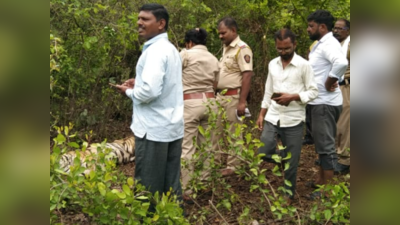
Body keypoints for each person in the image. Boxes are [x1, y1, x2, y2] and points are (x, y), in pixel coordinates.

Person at [115, 3, 184, 207]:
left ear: (161, 23)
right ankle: (173, 219)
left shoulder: (154, 51)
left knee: (147, 187)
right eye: (139, 18)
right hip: (171, 127)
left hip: (153, 130)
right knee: (170, 184)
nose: (139, 22)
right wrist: (139, 82)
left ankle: (148, 220)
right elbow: (165, 85)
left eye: (145, 19)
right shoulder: (170, 49)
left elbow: (150, 92)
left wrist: (128, 91)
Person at [257, 29, 318, 202]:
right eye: (280, 49)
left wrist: (294, 97)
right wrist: (262, 113)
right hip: (273, 116)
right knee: (264, 150)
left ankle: (288, 193)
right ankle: (285, 158)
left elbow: (314, 91)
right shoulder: (272, 64)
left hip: (294, 118)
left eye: (287, 49)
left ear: (295, 45)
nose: (283, 52)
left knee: (292, 162)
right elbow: (269, 89)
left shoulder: (304, 65)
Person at [306, 10, 348, 199]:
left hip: (325, 102)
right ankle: (321, 180)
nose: (308, 29)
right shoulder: (322, 44)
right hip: (319, 101)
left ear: (322, 27)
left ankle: (328, 189)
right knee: (322, 144)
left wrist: (331, 81)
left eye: (311, 26)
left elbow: (341, 62)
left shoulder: (328, 44)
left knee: (326, 145)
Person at [179, 28, 219, 201]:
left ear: (189, 42)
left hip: (189, 103)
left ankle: (187, 189)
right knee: (207, 145)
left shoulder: (185, 55)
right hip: (211, 103)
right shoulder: (214, 58)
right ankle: (203, 183)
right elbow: (216, 83)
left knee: (187, 147)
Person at [216, 17, 253, 176]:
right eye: (219, 33)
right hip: (220, 97)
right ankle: (216, 162)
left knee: (234, 132)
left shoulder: (242, 48)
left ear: (233, 31)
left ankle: (234, 166)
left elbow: (247, 75)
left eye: (223, 33)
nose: (221, 36)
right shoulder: (226, 48)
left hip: (233, 97)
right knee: (216, 130)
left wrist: (242, 102)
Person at [333, 18, 351, 174]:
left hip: (348, 86)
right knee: (338, 123)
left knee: (344, 124)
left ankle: (344, 160)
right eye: (335, 28)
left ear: (348, 30)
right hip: (337, 86)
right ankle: (338, 154)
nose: (336, 30)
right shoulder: (336, 45)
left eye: (340, 28)